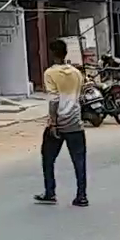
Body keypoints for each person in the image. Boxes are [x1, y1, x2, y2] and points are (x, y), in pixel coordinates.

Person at [34, 39, 88, 207]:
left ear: (52, 54)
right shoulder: (77, 73)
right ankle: (82, 195)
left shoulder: (50, 73)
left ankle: (50, 192)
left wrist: (54, 123)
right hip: (75, 121)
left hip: (59, 122)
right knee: (79, 161)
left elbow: (54, 100)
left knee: (48, 158)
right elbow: (79, 97)